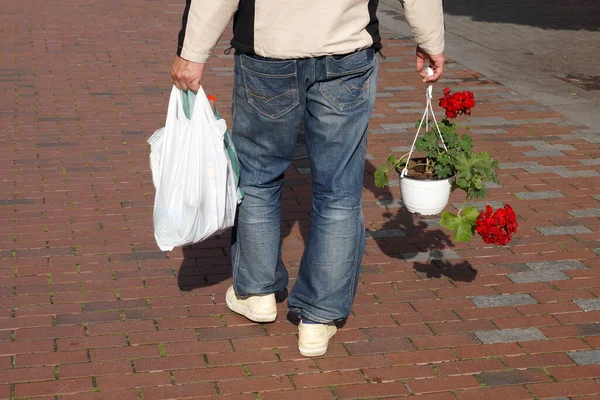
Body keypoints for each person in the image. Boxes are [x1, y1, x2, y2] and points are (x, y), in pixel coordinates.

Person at [171, 0, 445, 357]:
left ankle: (257, 293)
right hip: (346, 46)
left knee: (257, 177)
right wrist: (430, 38)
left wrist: (192, 51)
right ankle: (318, 319)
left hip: (270, 47)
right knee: (339, 192)